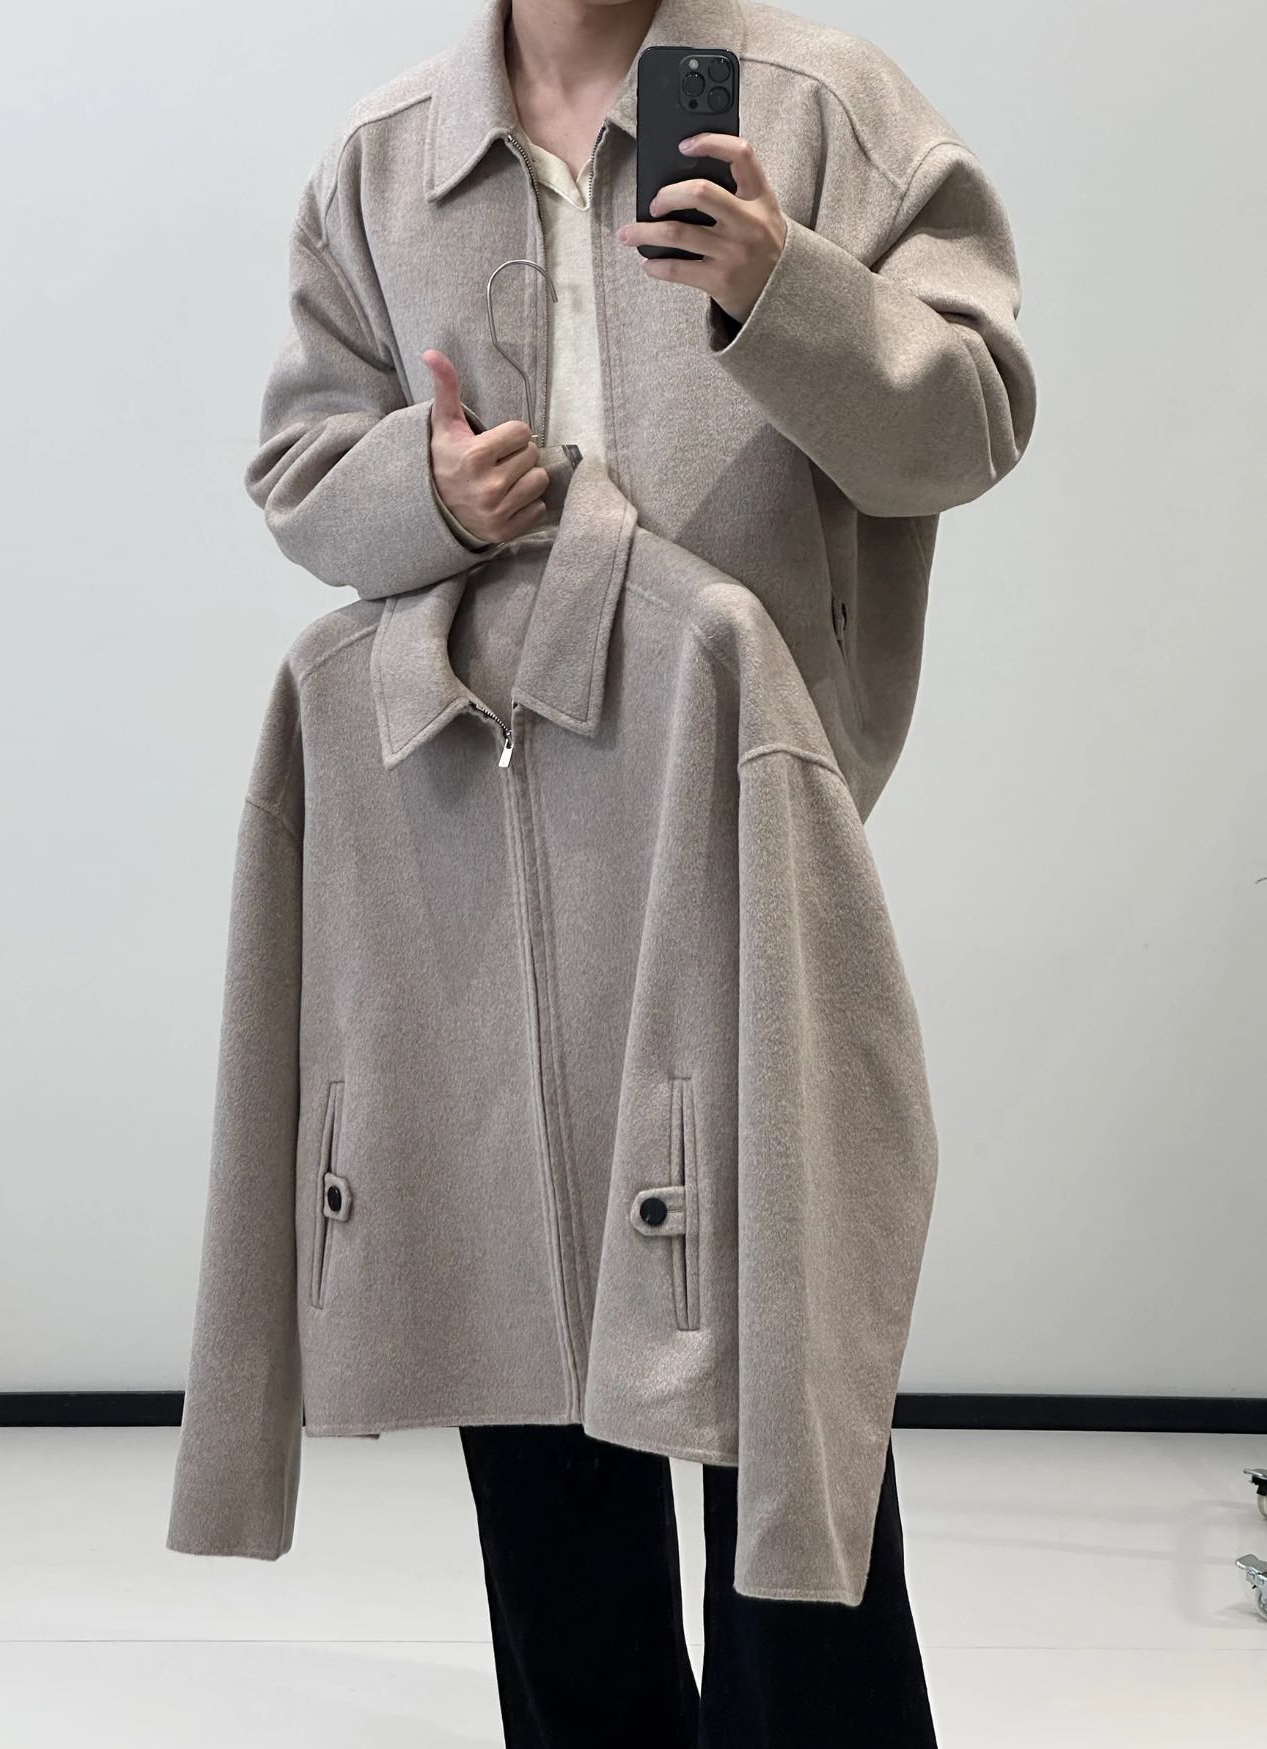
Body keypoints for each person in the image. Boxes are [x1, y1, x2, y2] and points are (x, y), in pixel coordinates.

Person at [241, 1, 1036, 1740]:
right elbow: (299, 471)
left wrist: (781, 289)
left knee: (785, 1410)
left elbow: (972, 421)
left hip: (746, 856)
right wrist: (428, 493)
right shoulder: (385, 159)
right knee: (537, 1434)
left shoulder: (822, 105)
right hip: (483, 868)